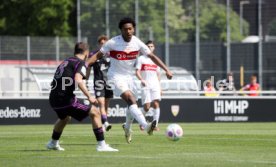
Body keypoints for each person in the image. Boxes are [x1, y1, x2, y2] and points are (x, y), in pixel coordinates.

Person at [87, 17, 173, 144]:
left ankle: (127, 127)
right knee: (130, 99)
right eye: (125, 29)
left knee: (132, 105)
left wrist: (166, 69)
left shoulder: (137, 43)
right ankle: (146, 125)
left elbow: (152, 56)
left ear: (134, 29)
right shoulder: (112, 43)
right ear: (121, 30)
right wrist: (84, 66)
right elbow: (97, 55)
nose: (128, 31)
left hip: (130, 78)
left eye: (130, 29)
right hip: (115, 76)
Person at [46, 42, 118, 152]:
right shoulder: (80, 63)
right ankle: (101, 145)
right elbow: (78, 79)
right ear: (86, 53)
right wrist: (89, 96)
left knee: (64, 118)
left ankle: (53, 143)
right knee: (95, 112)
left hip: (53, 98)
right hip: (65, 99)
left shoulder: (66, 61)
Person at [87, 35, 113, 132]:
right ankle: (106, 123)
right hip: (99, 82)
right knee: (101, 103)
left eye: (105, 43)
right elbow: (88, 67)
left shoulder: (112, 54)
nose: (103, 45)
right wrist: (86, 79)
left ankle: (103, 123)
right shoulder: (94, 54)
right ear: (99, 44)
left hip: (110, 82)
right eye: (101, 43)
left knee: (106, 105)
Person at [135, 40, 161, 131]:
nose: (150, 48)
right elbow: (137, 72)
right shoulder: (141, 59)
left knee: (156, 104)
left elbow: (158, 74)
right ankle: (142, 122)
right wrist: (141, 80)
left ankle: (155, 125)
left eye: (151, 46)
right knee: (147, 107)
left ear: (154, 48)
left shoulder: (155, 59)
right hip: (145, 85)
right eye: (148, 46)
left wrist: (160, 87)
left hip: (155, 85)